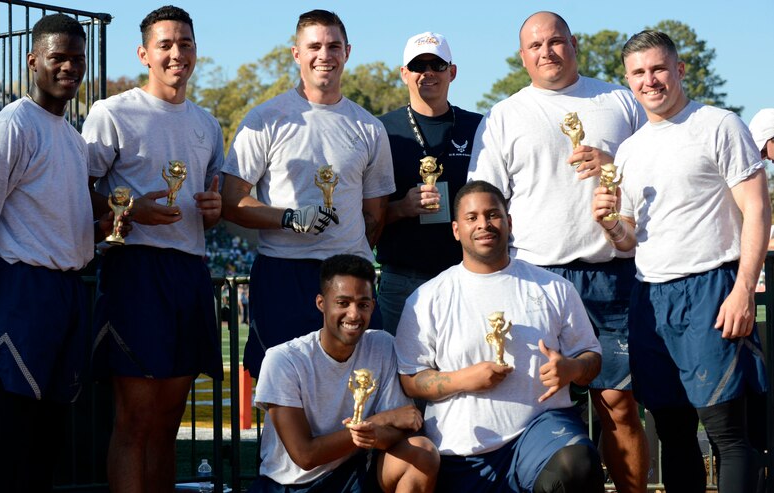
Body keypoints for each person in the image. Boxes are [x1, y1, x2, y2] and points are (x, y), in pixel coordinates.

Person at [466, 11, 648, 493]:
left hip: (610, 273)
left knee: (619, 405)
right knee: (537, 405)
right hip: (536, 277)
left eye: (556, 41)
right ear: (522, 56)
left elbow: (656, 173)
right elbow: (485, 195)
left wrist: (616, 165)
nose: (547, 52)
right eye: (535, 45)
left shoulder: (618, 99)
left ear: (574, 44)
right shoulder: (505, 114)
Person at [593, 30, 770, 493]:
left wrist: (742, 289)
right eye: (638, 73)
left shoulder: (718, 124)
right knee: (672, 433)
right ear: (627, 80)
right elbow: (630, 239)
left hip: (712, 288)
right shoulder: (630, 149)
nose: (650, 81)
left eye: (658, 69)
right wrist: (610, 223)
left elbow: (757, 207)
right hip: (650, 297)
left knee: (726, 433)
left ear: (679, 70)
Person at [0, 14, 121, 493]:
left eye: (77, 59)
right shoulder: (12, 125)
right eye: (57, 57)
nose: (69, 67)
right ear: (33, 62)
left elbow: (61, 223)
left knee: (49, 439)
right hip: (24, 289)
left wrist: (102, 228)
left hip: (68, 291)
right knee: (14, 438)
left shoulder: (71, 139)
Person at [81, 6, 224, 492]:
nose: (176, 53)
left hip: (190, 271)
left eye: (184, 43)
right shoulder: (111, 113)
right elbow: (77, 191)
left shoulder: (208, 125)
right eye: (164, 44)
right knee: (135, 423)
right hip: (134, 271)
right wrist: (128, 210)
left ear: (195, 52)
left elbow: (212, 201)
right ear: (144, 53)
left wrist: (214, 208)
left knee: (168, 427)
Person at [396, 181, 604, 493]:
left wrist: (572, 370)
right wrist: (463, 380)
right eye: (472, 217)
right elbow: (411, 378)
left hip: (540, 430)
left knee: (574, 468)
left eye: (493, 215)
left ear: (509, 222)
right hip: (465, 449)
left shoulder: (553, 287)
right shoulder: (428, 298)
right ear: (456, 229)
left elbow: (592, 357)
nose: (483, 224)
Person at [222, 9, 394, 378]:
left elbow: (375, 216)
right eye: (314, 46)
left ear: (347, 52)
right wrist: (289, 218)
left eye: (333, 46)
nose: (325, 55)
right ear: (296, 54)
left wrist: (342, 246)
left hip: (350, 273)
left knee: (360, 388)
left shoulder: (369, 127)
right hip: (284, 272)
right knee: (282, 392)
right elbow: (230, 200)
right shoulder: (265, 118)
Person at [250, 254, 438, 493]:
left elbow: (399, 429)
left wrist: (378, 432)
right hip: (292, 484)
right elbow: (305, 455)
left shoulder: (383, 344)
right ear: (321, 303)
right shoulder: (283, 359)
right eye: (343, 303)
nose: (354, 314)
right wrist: (378, 421)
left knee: (422, 452)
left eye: (363, 304)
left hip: (353, 471)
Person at [376, 32, 483, 334]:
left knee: (463, 373)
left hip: (465, 275)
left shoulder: (479, 126)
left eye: (436, 65)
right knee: (394, 374)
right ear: (404, 74)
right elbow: (364, 213)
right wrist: (401, 208)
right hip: (401, 278)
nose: (428, 73)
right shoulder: (381, 130)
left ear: (452, 71)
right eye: (418, 66)